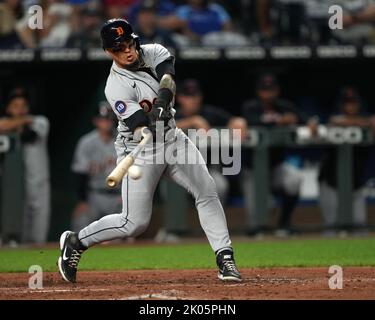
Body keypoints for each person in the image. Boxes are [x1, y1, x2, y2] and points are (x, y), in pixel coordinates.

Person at [57, 18, 241, 283]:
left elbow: (168, 76)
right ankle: (76, 241)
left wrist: (163, 101)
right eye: (119, 48)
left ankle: (225, 258)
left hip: (173, 139)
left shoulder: (154, 51)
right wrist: (146, 129)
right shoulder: (115, 86)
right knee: (135, 223)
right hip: (140, 148)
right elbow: (136, 125)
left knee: (207, 191)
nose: (127, 51)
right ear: (109, 52)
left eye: (129, 43)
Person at [241, 73, 307, 237]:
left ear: (277, 90)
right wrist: (278, 122)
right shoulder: (251, 106)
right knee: (256, 222)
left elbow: (306, 121)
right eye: (264, 90)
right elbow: (251, 122)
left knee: (294, 179)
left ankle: (284, 224)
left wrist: (306, 122)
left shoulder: (285, 106)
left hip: (276, 165)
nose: (268, 94)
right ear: (258, 91)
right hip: (253, 168)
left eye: (271, 90)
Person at [175, 78, 247, 205]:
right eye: (188, 96)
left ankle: (213, 224)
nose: (192, 100)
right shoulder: (172, 114)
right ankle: (173, 224)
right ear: (180, 98)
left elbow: (233, 121)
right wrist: (192, 121)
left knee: (220, 185)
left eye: (195, 96)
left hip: (206, 169)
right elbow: (158, 128)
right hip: (176, 171)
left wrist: (238, 122)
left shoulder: (209, 113)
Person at [319, 86, 375, 235]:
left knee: (360, 227)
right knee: (331, 227)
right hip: (331, 182)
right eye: (347, 103)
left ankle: (359, 259)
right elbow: (334, 121)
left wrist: (369, 122)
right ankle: (327, 258)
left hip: (356, 182)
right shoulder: (333, 117)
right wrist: (364, 123)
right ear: (341, 105)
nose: (350, 106)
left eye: (353, 103)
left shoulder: (367, 118)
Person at [0, 89, 50, 244]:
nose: (20, 109)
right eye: (15, 105)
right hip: (13, 188)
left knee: (38, 236)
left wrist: (16, 124)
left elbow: (30, 135)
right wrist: (19, 122)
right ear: (8, 108)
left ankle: (37, 265)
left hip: (38, 184)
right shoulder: (7, 124)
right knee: (15, 235)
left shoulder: (40, 121)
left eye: (23, 105)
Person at [71, 102, 122, 232]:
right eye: (102, 119)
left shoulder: (123, 140)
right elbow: (79, 174)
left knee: (124, 233)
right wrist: (82, 200)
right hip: (94, 195)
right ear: (95, 121)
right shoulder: (86, 142)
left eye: (109, 119)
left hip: (119, 197)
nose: (106, 123)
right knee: (81, 224)